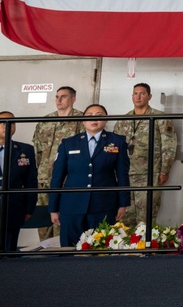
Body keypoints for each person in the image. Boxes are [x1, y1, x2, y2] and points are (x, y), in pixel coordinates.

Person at [49, 104, 130, 248]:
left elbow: (122, 175)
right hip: (72, 206)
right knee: (69, 248)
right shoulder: (68, 143)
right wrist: (53, 208)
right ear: (83, 120)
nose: (94, 118)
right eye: (90, 115)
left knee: (101, 248)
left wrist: (123, 203)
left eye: (99, 115)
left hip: (103, 205)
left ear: (105, 120)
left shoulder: (117, 141)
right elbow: (57, 177)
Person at [115, 83, 177, 227]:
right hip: (126, 176)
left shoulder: (159, 118)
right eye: (135, 93)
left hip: (149, 174)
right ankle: (127, 249)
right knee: (124, 220)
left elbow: (169, 146)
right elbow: (115, 148)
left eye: (142, 93)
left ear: (149, 96)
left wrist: (164, 171)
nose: (138, 96)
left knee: (146, 220)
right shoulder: (123, 120)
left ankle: (146, 249)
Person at [31, 86, 84, 241]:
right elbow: (37, 151)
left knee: (65, 219)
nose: (59, 100)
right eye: (57, 96)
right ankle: (45, 254)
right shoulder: (45, 121)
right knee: (43, 218)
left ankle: (63, 256)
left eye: (63, 97)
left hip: (68, 180)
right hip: (44, 179)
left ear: (73, 99)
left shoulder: (81, 120)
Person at [0, 111, 38, 252]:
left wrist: (29, 208)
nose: (7, 126)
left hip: (13, 208)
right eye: (2, 122)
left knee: (9, 252)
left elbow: (31, 181)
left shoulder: (25, 150)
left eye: (12, 122)